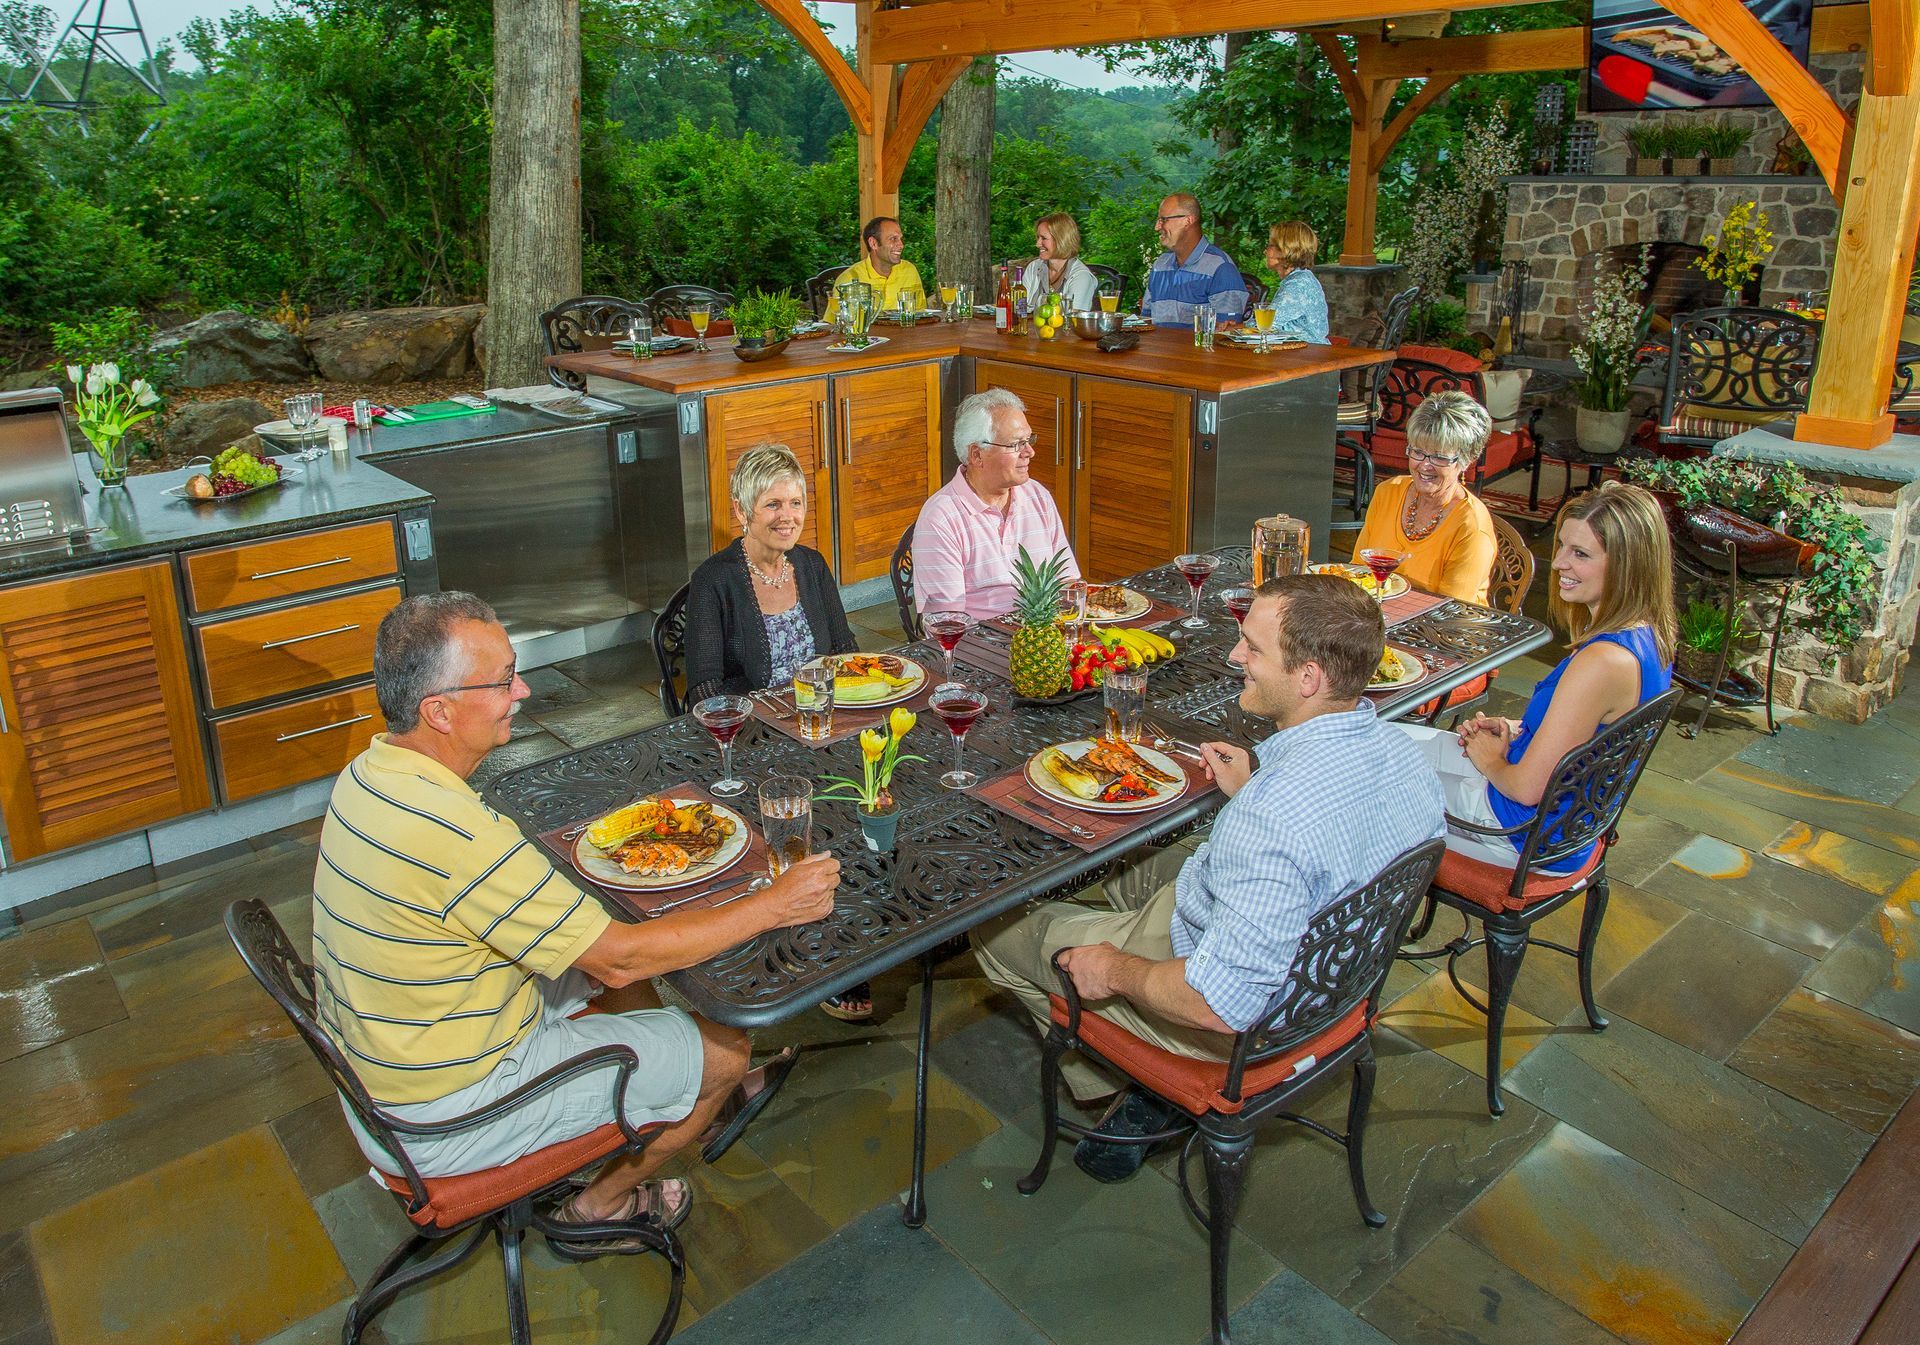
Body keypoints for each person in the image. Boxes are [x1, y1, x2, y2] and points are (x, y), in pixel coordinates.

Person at [311, 592, 840, 1244]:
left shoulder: (366, 774)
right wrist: (773, 903)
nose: (523, 689)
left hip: (382, 1074)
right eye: (503, 680)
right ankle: (603, 1202)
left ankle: (668, 1089)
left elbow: (603, 956)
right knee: (725, 1048)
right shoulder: (458, 836)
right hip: (441, 1118)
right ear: (438, 711)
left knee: (604, 969)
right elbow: (620, 955)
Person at [972, 574, 1445, 1182]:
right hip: (1334, 986)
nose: (1234, 657)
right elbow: (1328, 847)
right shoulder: (1407, 757)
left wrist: (1114, 970)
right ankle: (1137, 1076)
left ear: (1308, 679)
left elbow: (1220, 1004)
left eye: (1252, 647)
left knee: (995, 926)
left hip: (1234, 1016)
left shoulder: (1271, 818)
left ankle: (1143, 1077)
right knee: (1133, 854)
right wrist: (1251, 793)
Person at [1396, 482, 1675, 873]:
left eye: (1580, 553)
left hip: (1517, 832)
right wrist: (1522, 727)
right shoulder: (1649, 638)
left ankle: (1361, 919)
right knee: (1380, 740)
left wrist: (1492, 762)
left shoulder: (1602, 662)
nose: (1559, 563)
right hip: (1557, 819)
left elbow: (1527, 789)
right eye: (1562, 546)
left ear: (1628, 566)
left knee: (1360, 776)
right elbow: (1590, 738)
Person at [685, 443, 858, 706]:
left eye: (795, 503)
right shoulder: (711, 581)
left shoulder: (813, 565)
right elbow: (704, 690)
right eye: (773, 504)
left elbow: (846, 651)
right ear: (741, 510)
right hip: (754, 729)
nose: (788, 517)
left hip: (820, 716)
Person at [913, 387, 1081, 620]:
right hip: (981, 647)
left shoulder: (1038, 496)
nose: (1029, 452)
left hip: (1045, 637)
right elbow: (945, 621)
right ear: (977, 455)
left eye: (1028, 440)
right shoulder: (940, 518)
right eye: (1016, 444)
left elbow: (1067, 581)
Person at [1352, 391, 1500, 604]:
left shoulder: (1471, 526)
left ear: (1467, 461)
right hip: (1377, 618)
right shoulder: (1388, 492)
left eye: (1439, 457)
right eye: (1418, 452)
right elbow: (1358, 571)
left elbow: (1451, 609)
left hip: (1444, 630)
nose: (1424, 465)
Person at [1141, 192, 1249, 328]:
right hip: (1157, 348)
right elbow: (1145, 323)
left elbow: (1226, 333)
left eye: (1163, 220)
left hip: (1197, 349)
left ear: (1188, 220)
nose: (1157, 227)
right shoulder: (1160, 265)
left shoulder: (1220, 267)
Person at [823, 216, 924, 322]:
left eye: (900, 239)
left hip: (906, 337)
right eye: (893, 239)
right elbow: (833, 326)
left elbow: (922, 316)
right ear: (873, 243)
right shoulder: (849, 279)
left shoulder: (909, 271)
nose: (901, 245)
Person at [1261, 220, 1330, 344]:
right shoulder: (1299, 279)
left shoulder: (1298, 285)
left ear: (1286, 250)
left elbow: (1264, 326)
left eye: (1270, 245)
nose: (1265, 251)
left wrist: (1232, 328)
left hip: (1307, 357)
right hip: (1298, 354)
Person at [1021, 213, 1099, 314]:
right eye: (1038, 237)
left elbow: (1072, 319)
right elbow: (1021, 308)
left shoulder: (1081, 277)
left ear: (1061, 240)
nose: (1037, 244)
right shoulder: (1033, 267)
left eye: (1044, 238)